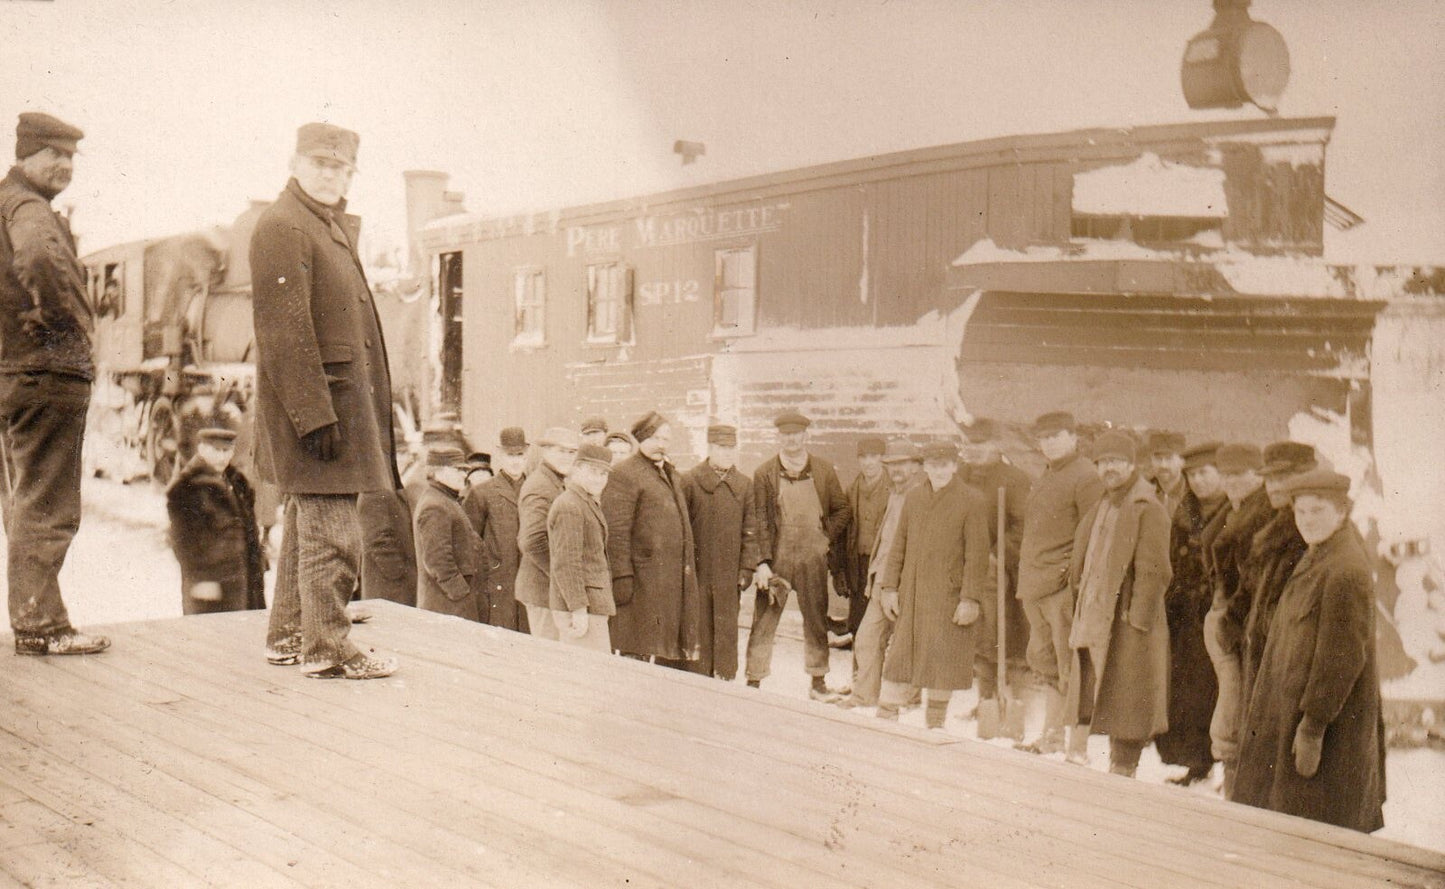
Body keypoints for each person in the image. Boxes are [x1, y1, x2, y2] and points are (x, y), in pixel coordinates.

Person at [251, 122, 398, 679]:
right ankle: (328, 649)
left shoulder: (318, 223)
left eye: (341, 168)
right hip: (319, 411)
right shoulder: (284, 225)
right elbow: (284, 333)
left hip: (331, 407)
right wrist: (313, 417)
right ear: (294, 163)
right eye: (320, 164)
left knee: (308, 525)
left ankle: (290, 633)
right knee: (333, 534)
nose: (331, 175)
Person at [1, 112, 109, 656]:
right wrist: (64, 327)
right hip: (46, 373)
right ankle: (41, 626)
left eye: (70, 157)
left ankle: (39, 618)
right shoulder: (29, 209)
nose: (65, 165)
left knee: (25, 501)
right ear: (25, 155)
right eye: (54, 155)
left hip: (15, 371)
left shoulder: (9, 203)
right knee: (48, 503)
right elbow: (41, 258)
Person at [1234, 469, 1386, 833]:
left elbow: (1342, 660)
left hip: (1323, 728)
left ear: (1341, 511)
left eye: (1317, 511)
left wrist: (1313, 728)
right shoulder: (1320, 554)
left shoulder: (1345, 569)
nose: (1307, 521)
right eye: (1301, 512)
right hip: (1291, 712)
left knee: (1320, 828)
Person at [1063, 431, 1172, 777]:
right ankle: (1086, 758)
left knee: (1128, 693)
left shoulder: (1146, 508)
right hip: (1095, 613)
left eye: (1116, 461)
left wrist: (1138, 620)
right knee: (1098, 686)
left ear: (1131, 464)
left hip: (1126, 617)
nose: (1108, 468)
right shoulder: (1103, 505)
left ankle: (1123, 768)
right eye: (1103, 462)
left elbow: (1154, 571)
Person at [874, 440, 990, 729]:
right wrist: (889, 587)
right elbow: (898, 545)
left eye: (945, 465)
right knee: (899, 659)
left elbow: (977, 556)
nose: (939, 471)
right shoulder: (914, 497)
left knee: (942, 665)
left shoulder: (971, 500)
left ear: (954, 466)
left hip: (947, 598)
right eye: (933, 465)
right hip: (913, 596)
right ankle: (886, 720)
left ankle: (935, 726)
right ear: (925, 467)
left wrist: (970, 599)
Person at [745, 410, 851, 700]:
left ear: (805, 435)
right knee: (764, 621)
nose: (791, 439)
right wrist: (762, 562)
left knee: (816, 620)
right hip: (777, 559)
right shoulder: (765, 473)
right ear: (779, 437)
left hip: (812, 559)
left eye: (796, 434)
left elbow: (842, 510)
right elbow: (760, 519)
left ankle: (818, 683)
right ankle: (753, 683)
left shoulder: (823, 470)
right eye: (786, 434)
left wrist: (824, 537)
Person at [1015, 411, 1103, 754]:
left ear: (1073, 437)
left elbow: (1092, 534)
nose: (1049, 443)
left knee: (1070, 666)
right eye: (1044, 437)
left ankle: (1074, 745)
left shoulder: (1086, 476)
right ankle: (1051, 737)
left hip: (1061, 588)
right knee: (1046, 663)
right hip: (1036, 585)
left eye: (1056, 436)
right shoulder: (1048, 473)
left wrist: (1070, 576)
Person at [1153, 441, 1228, 786]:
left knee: (1222, 690)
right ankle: (1197, 763)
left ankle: (1225, 764)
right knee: (1190, 691)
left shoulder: (1232, 510)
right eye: (1193, 475)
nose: (1198, 481)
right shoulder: (1185, 512)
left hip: (1221, 613)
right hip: (1186, 617)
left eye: (1204, 473)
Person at [602, 411, 700, 666]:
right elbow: (616, 532)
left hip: (665, 582)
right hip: (640, 583)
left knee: (659, 648)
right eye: (655, 438)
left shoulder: (669, 473)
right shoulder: (624, 473)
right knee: (636, 649)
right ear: (642, 439)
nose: (661, 445)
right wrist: (622, 577)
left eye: (666, 439)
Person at [1201, 442, 1271, 794]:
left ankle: (1236, 784)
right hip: (1229, 621)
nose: (1230, 482)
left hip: (1245, 626)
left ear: (1258, 475)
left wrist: (1230, 616)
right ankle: (1233, 781)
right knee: (1231, 704)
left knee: (1237, 709)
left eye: (1238, 474)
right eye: (1225, 475)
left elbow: (1255, 579)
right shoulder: (1233, 509)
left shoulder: (1262, 514)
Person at [836, 439, 925, 709]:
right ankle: (865, 696)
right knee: (866, 638)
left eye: (903, 464)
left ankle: (909, 699)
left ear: (916, 467)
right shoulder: (895, 494)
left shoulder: (920, 496)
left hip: (902, 583)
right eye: (892, 464)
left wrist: (900, 584)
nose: (896, 469)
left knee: (904, 641)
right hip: (881, 580)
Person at [959, 417, 1033, 720]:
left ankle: (1010, 702)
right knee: (976, 638)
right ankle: (985, 700)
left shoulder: (1013, 479)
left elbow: (1023, 525)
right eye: (970, 443)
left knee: (999, 638)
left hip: (999, 571)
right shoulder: (961, 475)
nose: (974, 449)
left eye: (981, 443)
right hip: (965, 567)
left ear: (996, 445)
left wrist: (995, 555)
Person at [1238, 442, 1317, 722]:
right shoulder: (1272, 528)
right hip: (1268, 653)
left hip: (1292, 660)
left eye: (1281, 478)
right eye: (1269, 480)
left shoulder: (1309, 534)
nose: (1272, 488)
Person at [681, 424, 759, 681]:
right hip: (698, 573)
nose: (727, 453)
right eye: (721, 447)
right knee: (698, 626)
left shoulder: (744, 485)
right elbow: (681, 528)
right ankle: (696, 677)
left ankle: (724, 677)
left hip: (728, 575)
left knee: (725, 628)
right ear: (710, 448)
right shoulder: (690, 481)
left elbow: (751, 530)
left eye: (731, 448)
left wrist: (747, 568)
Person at [165, 427, 266, 615]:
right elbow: (181, 540)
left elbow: (249, 529)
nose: (222, 457)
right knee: (209, 630)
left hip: (241, 579)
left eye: (227, 451)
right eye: (216, 450)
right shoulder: (187, 486)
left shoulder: (237, 482)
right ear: (202, 449)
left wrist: (258, 563)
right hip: (209, 585)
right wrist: (201, 579)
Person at [546, 444, 617, 652]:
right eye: (593, 471)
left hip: (591, 605)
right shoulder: (570, 505)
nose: (599, 479)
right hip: (582, 608)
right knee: (589, 668)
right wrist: (578, 609)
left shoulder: (584, 501)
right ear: (576, 468)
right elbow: (566, 563)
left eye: (604, 473)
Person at [461, 427, 529, 632]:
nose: (515, 461)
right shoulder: (482, 493)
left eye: (520, 455)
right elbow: (469, 543)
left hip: (530, 588)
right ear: (499, 455)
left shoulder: (534, 490)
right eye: (510, 455)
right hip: (498, 589)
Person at [515, 426, 578, 639]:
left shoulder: (555, 481)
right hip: (543, 591)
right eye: (561, 451)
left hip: (549, 591)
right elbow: (532, 541)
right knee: (550, 652)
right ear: (546, 451)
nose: (567, 457)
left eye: (572, 452)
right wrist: (561, 576)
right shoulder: (540, 485)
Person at [413, 446, 484, 619]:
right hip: (447, 606)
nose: (464, 475)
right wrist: (461, 593)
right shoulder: (435, 506)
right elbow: (437, 560)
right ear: (437, 471)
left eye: (465, 470)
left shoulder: (444, 500)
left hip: (451, 604)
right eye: (458, 469)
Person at [833, 437, 889, 649]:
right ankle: (858, 668)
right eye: (863, 457)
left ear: (882, 458)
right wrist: (839, 570)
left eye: (873, 456)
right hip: (857, 565)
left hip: (883, 565)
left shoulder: (893, 489)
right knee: (858, 621)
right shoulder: (851, 490)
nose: (868, 462)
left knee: (881, 623)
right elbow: (842, 534)